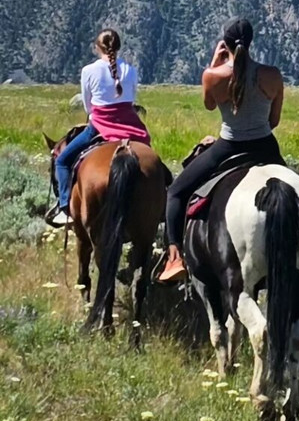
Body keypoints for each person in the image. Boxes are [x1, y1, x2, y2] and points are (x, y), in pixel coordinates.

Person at [159, 17, 286, 282]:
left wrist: (214, 64)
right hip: (265, 146)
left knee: (176, 192)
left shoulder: (213, 77)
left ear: (225, 44)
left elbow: (207, 105)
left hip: (228, 146)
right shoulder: (272, 75)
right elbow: (273, 122)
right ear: (251, 43)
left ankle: (174, 259)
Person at [47, 29, 150, 228]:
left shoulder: (88, 71)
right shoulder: (131, 70)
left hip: (100, 126)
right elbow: (132, 99)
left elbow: (88, 105)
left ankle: (64, 207)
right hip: (131, 126)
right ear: (118, 47)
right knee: (150, 158)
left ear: (97, 48)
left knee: (62, 160)